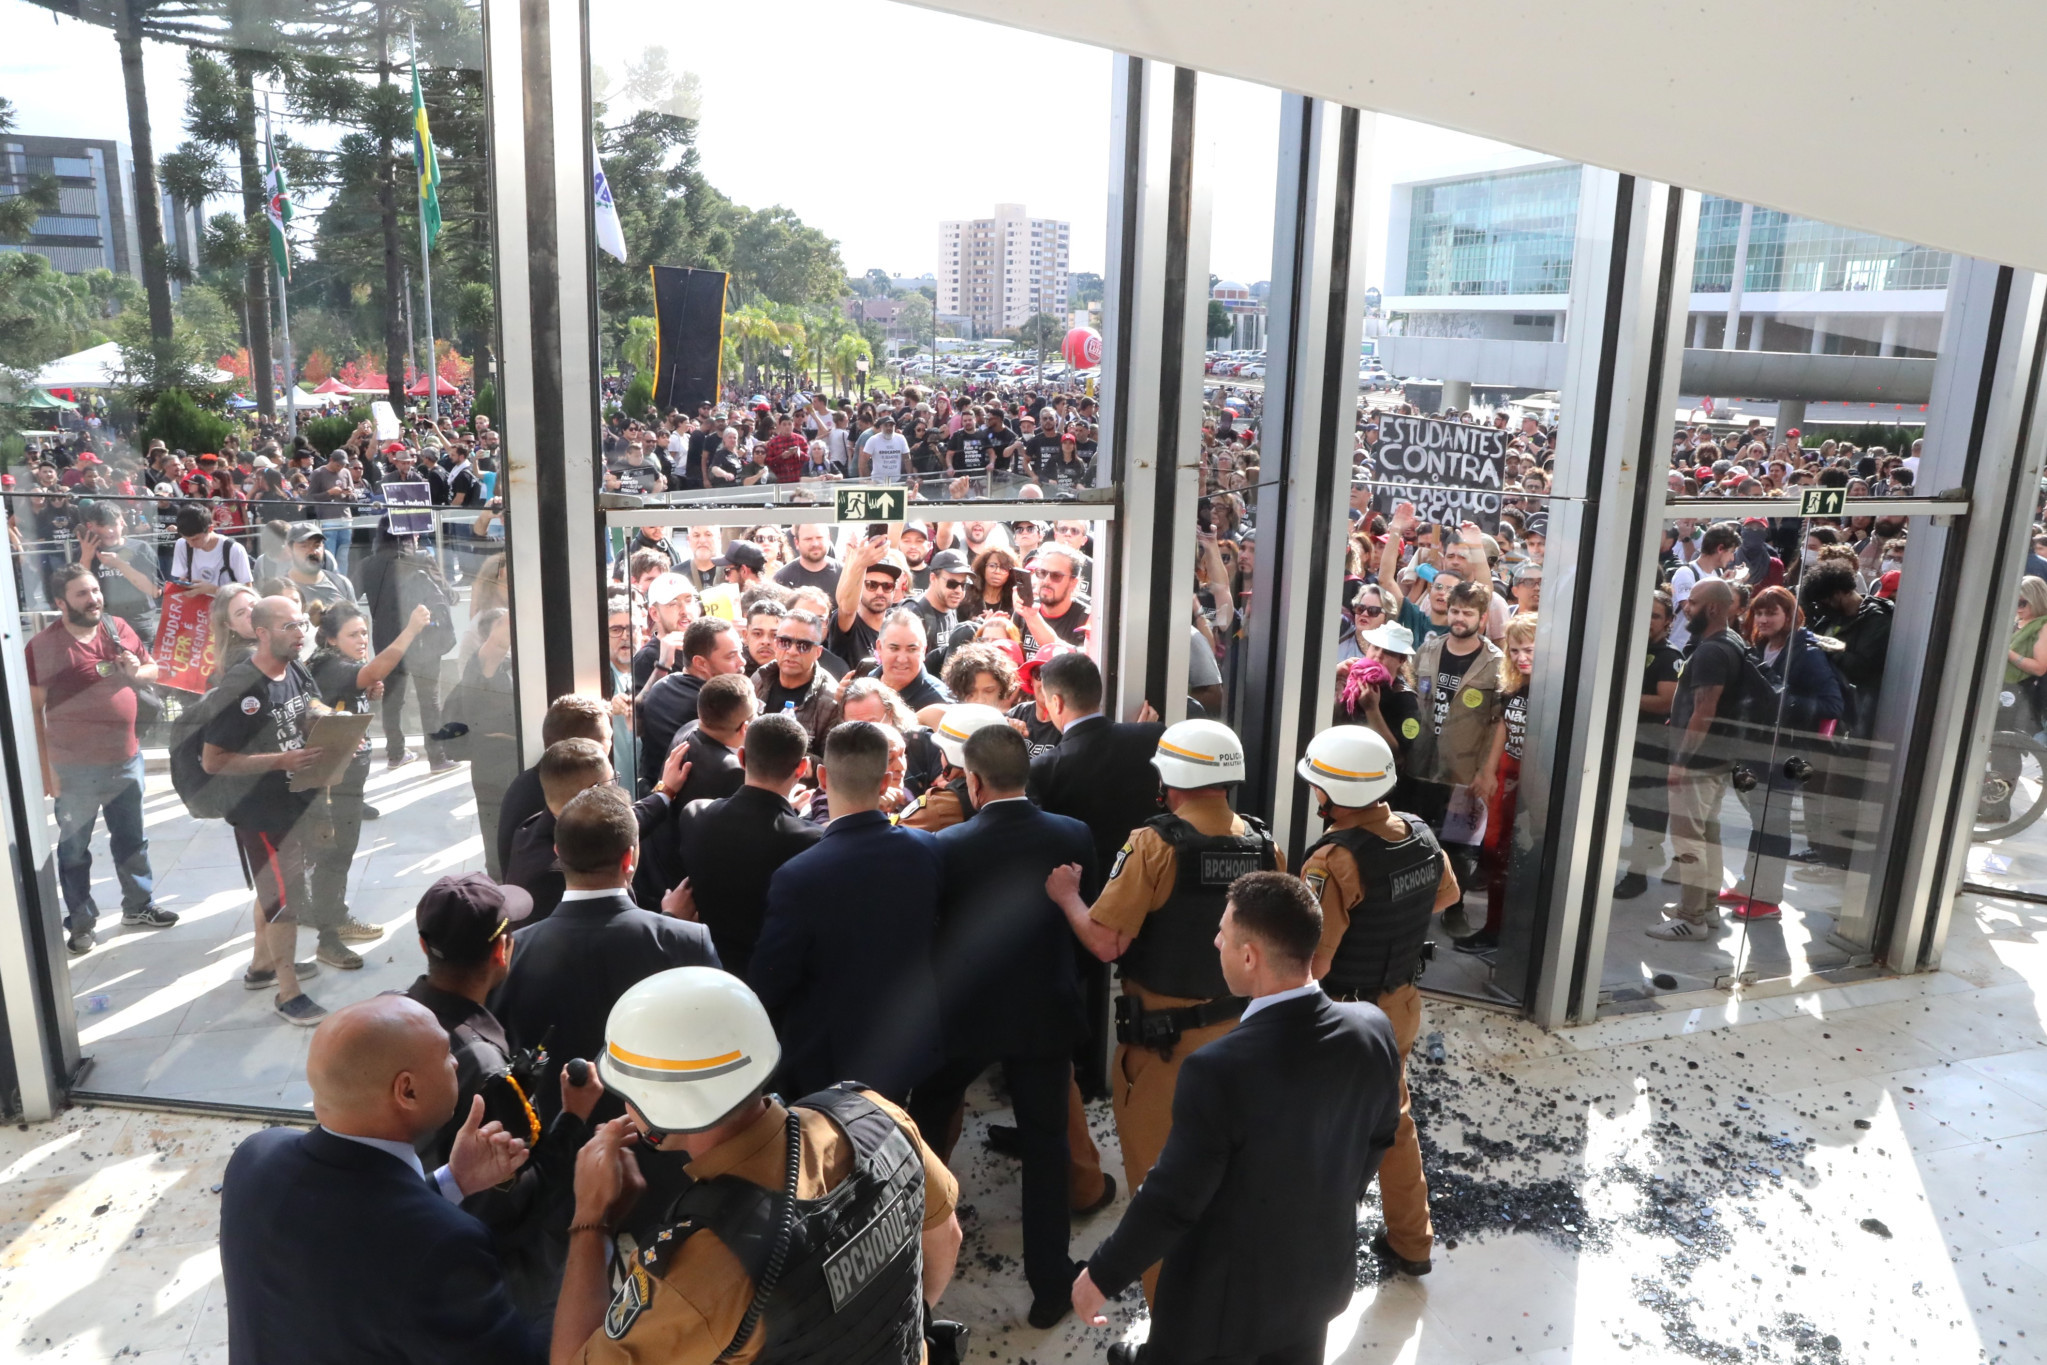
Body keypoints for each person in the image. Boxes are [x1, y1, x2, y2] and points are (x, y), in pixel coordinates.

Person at [549, 968, 963, 1365]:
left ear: (659, 1108)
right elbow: (947, 1238)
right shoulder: (877, 1115)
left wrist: (591, 1217)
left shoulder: (702, 1269)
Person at [1070, 872, 1402, 1365]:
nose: (1216, 940)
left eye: (1224, 931)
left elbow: (1174, 1200)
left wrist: (1100, 1275)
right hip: (1318, 1284)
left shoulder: (1217, 1069)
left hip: (1223, 1310)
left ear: (1250, 957)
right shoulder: (1373, 1028)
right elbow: (1379, 1138)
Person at [1043, 718, 1280, 1303]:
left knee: (1160, 1192)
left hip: (1165, 1048)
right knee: (1227, 1180)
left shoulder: (1154, 843)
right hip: (1244, 1037)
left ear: (1172, 779)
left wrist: (1068, 898)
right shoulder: (1261, 841)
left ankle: (1170, 1324)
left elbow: (1106, 942)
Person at [219, 994, 545, 1365]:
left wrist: (453, 1181)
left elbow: (349, 1252)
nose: (456, 1061)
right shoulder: (444, 1246)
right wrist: (588, 1224)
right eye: (444, 1053)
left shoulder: (255, 1157)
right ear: (407, 1090)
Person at [907, 725, 1105, 1326]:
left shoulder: (947, 847)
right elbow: (1085, 921)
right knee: (1047, 1146)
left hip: (967, 1018)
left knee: (927, 1120)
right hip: (1044, 1013)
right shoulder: (1073, 834)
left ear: (973, 780)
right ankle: (1049, 1288)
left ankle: (914, 1249)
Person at [1294, 725, 1461, 1280]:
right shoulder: (1417, 832)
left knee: (1324, 1135)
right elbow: (1449, 894)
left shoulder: (1331, 862)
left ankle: (1313, 1251)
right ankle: (1412, 1241)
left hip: (1343, 1017)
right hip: (1401, 1005)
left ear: (1331, 795)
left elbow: (1314, 962)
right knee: (1393, 1122)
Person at [404, 873, 607, 1324]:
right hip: (488, 1272)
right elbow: (522, 1200)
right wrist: (574, 1116)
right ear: (502, 950)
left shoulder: (393, 1015)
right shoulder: (487, 1070)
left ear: (423, 946)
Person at [491, 785, 720, 1124]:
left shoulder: (511, 953)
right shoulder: (688, 942)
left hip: (551, 1148)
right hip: (661, 1144)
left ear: (558, 851)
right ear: (629, 858)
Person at [749, 721, 944, 1102]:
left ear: (822, 776)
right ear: (887, 779)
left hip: (827, 1060)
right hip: (906, 1043)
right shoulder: (927, 849)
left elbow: (771, 979)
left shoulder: (797, 876)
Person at [28, 563, 176, 954]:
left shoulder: (117, 628)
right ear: (60, 602)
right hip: (73, 769)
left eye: (95, 590)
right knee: (74, 850)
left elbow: (154, 668)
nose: (93, 598)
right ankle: (81, 922)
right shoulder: (44, 647)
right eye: (82, 594)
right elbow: (32, 712)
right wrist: (47, 772)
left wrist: (136, 671)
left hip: (126, 758)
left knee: (132, 840)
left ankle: (138, 906)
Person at [202, 595, 332, 1025]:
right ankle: (287, 992)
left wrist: (335, 725)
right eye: (290, 627)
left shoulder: (294, 667)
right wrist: (279, 761)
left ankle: (262, 966)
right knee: (283, 899)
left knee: (275, 888)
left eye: (301, 625)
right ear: (262, 633)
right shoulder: (241, 686)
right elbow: (213, 760)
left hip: (297, 803)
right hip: (261, 813)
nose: (301, 634)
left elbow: (311, 711)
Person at [303, 600, 432, 966]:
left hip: (344, 776)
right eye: (353, 634)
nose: (362, 640)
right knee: (333, 856)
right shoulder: (330, 664)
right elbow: (377, 668)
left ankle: (332, 915)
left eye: (364, 633)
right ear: (330, 639)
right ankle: (329, 937)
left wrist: (364, 692)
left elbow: (361, 681)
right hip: (330, 781)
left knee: (338, 854)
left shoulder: (336, 665)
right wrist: (410, 630)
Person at [667, 712, 821, 976]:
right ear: (801, 768)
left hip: (704, 971)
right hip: (775, 980)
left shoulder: (695, 816)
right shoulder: (812, 842)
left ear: (741, 758)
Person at [1729, 586, 1846, 920]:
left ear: (1790, 615)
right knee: (1760, 819)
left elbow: (1832, 704)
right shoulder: (1762, 646)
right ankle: (1749, 885)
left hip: (1789, 753)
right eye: (1760, 612)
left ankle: (1766, 899)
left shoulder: (1806, 653)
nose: (1764, 619)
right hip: (1760, 748)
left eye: (1772, 613)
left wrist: (1782, 698)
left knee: (1774, 822)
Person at [503, 738, 691, 923]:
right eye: (613, 780)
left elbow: (621, 824)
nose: (617, 787)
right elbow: (603, 936)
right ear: (593, 791)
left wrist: (664, 792)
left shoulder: (536, 824)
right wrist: (670, 918)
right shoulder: (553, 876)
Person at [1655, 577, 1747, 941]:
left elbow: (1703, 711)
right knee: (1707, 833)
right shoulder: (1730, 642)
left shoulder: (1711, 651)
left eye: (1691, 602)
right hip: (1717, 759)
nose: (1684, 608)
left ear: (1711, 608)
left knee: (1689, 840)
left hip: (1699, 762)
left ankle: (1690, 917)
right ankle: (1705, 907)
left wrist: (1680, 760)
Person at [1407, 578, 1503, 926]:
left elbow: (1498, 722)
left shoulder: (1494, 662)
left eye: (1467, 613)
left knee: (1458, 845)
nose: (1459, 618)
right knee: (1414, 838)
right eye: (1454, 611)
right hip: (1420, 766)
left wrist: (1486, 771)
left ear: (1482, 617)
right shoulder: (1429, 650)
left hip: (1464, 771)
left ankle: (1455, 909)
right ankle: (1412, 905)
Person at [357, 522, 459, 772]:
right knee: (429, 700)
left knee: (392, 700)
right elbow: (449, 595)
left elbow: (351, 595)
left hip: (387, 643)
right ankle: (437, 758)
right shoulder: (422, 559)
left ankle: (396, 753)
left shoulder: (367, 565)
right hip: (423, 641)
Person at [1462, 610, 1536, 955]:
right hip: (1509, 774)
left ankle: (1514, 932)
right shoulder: (1515, 685)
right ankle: (1494, 928)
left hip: (1537, 782)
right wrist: (1489, 770)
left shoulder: (1556, 689)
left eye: (1530, 650)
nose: (1521, 658)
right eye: (1515, 650)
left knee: (1521, 857)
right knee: (1494, 852)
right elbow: (1504, 727)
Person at [443, 607, 521, 878]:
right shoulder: (482, 667)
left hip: (516, 759)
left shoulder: (518, 663)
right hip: (494, 763)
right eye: (502, 622)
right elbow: (496, 647)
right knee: (498, 835)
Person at [497, 694, 614, 874]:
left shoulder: (526, 784)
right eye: (608, 737)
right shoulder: (563, 797)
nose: (611, 744)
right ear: (587, 749)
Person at [1615, 590, 1683, 900]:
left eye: (1655, 615)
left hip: (1651, 746)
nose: (1648, 621)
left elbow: (1666, 702)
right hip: (1625, 742)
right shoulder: (1629, 648)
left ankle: (1637, 875)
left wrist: (1619, 695)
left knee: (1647, 812)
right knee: (1631, 809)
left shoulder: (1669, 656)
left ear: (1669, 621)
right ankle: (1650, 854)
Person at [636, 617, 747, 793]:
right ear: (700, 663)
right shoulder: (713, 706)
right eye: (731, 656)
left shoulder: (662, 686)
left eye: (740, 652)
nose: (742, 662)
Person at [898, 703, 1011, 833]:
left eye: (941, 752)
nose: (940, 757)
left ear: (954, 755)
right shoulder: (1019, 790)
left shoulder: (937, 807)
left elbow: (893, 840)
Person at [76, 501, 162, 645]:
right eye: (102, 526)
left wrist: (120, 564)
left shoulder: (141, 548)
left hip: (138, 623)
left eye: (113, 525)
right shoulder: (85, 551)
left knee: (143, 666)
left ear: (122, 522)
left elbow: (154, 591)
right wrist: (86, 557)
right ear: (91, 527)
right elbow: (78, 590)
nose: (109, 531)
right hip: (102, 623)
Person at [749, 607, 837, 746]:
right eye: (785, 642)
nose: (792, 651)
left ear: (818, 653)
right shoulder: (759, 678)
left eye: (804, 645)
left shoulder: (830, 700)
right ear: (776, 644)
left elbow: (827, 760)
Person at [1018, 545, 1091, 658]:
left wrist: (1031, 617)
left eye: (1056, 576)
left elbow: (1077, 659)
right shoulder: (1022, 612)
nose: (1046, 580)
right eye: (1042, 572)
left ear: (1073, 582)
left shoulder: (1086, 619)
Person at [875, 608, 954, 709]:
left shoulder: (939, 702)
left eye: (911, 649)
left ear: (923, 651)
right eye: (894, 648)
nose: (902, 659)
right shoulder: (865, 683)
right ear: (879, 647)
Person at [907, 549, 972, 671]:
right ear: (933, 578)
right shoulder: (913, 613)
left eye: (963, 585)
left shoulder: (951, 607)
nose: (958, 590)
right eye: (952, 584)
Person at [772, 523, 841, 594]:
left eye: (819, 537)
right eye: (808, 539)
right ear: (796, 543)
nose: (815, 544)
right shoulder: (782, 579)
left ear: (828, 538)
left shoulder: (843, 575)